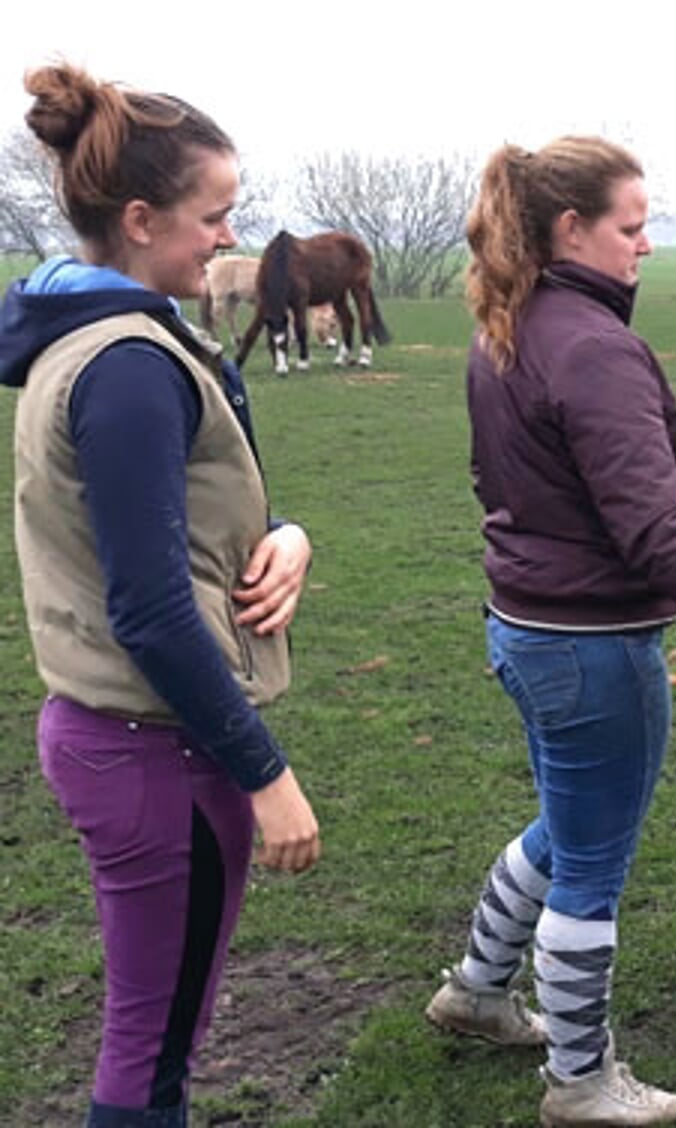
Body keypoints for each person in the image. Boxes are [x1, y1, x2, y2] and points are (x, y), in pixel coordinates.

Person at [424, 136, 676, 1128]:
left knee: (568, 824)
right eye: (632, 225)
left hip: (526, 631)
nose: (645, 245)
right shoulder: (595, 348)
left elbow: (502, 486)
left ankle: (477, 993)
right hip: (590, 648)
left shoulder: (510, 325)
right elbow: (656, 532)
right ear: (572, 229)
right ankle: (580, 1082)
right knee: (593, 860)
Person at [1, 64, 322, 1127]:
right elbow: (146, 606)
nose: (228, 240)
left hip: (128, 740)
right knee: (151, 1059)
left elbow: (171, 527)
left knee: (159, 1037)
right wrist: (264, 773)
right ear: (139, 220)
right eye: (213, 217)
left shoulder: (94, 340)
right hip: (156, 754)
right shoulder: (129, 364)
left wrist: (285, 536)